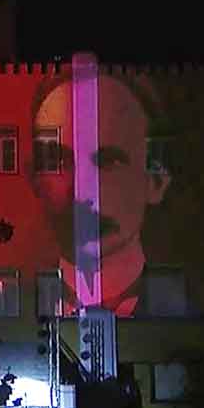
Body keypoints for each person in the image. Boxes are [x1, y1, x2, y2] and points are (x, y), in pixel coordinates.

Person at [30, 69, 173, 316]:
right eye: (59, 162)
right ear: (35, 181)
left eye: (109, 161)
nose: (82, 194)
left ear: (156, 181)